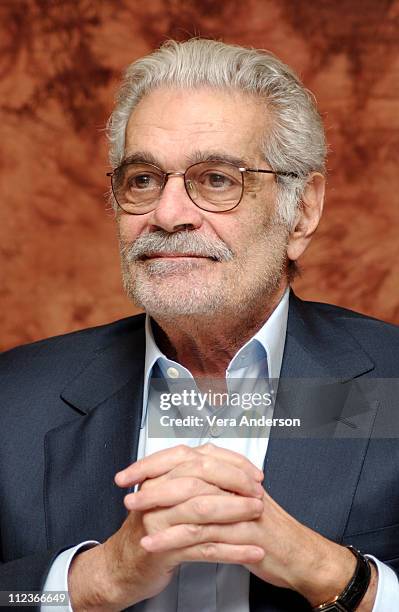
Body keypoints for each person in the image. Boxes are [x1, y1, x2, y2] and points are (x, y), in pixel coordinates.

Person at [1, 38, 398, 612]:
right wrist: (92, 581)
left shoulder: (389, 385)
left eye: (217, 179)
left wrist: (329, 571)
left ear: (302, 210)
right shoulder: (13, 399)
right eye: (142, 180)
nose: (167, 214)